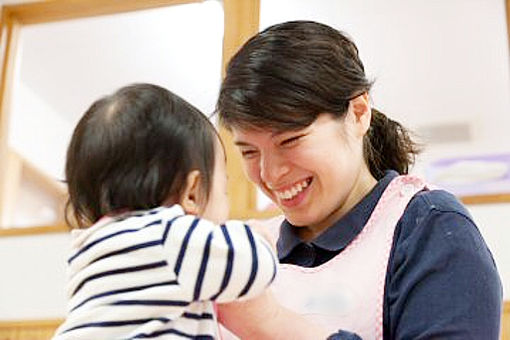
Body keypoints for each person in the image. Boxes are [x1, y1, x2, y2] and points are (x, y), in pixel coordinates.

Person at [216, 21, 503, 339]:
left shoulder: (428, 228)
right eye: (249, 152)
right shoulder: (252, 250)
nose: (270, 174)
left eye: (290, 141)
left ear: (358, 112)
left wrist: (266, 321)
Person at [52, 83, 279, 339]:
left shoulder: (85, 251)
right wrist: (258, 237)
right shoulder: (171, 236)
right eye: (224, 188)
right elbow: (255, 267)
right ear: (192, 192)